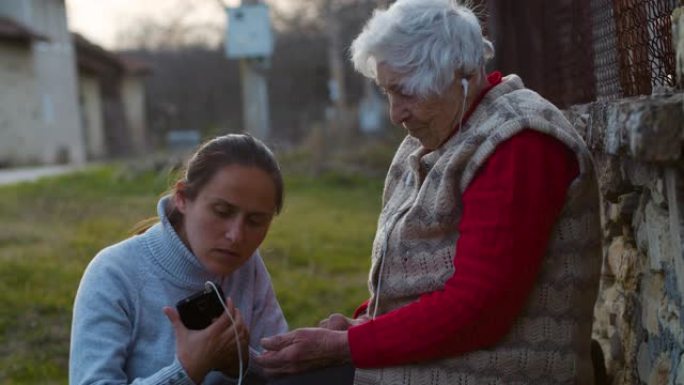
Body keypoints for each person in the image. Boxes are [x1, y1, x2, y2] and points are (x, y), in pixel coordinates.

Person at [255, 0, 603, 384]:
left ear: (459, 74)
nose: (395, 113)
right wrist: (362, 321)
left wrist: (345, 346)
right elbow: (429, 273)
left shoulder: (521, 144)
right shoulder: (437, 133)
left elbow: (479, 310)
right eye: (388, 92)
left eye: (405, 92)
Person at [70, 134, 288, 385]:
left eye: (255, 221)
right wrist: (187, 370)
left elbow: (282, 371)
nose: (236, 236)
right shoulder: (113, 273)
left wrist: (240, 361)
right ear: (182, 198)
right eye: (222, 212)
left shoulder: (247, 266)